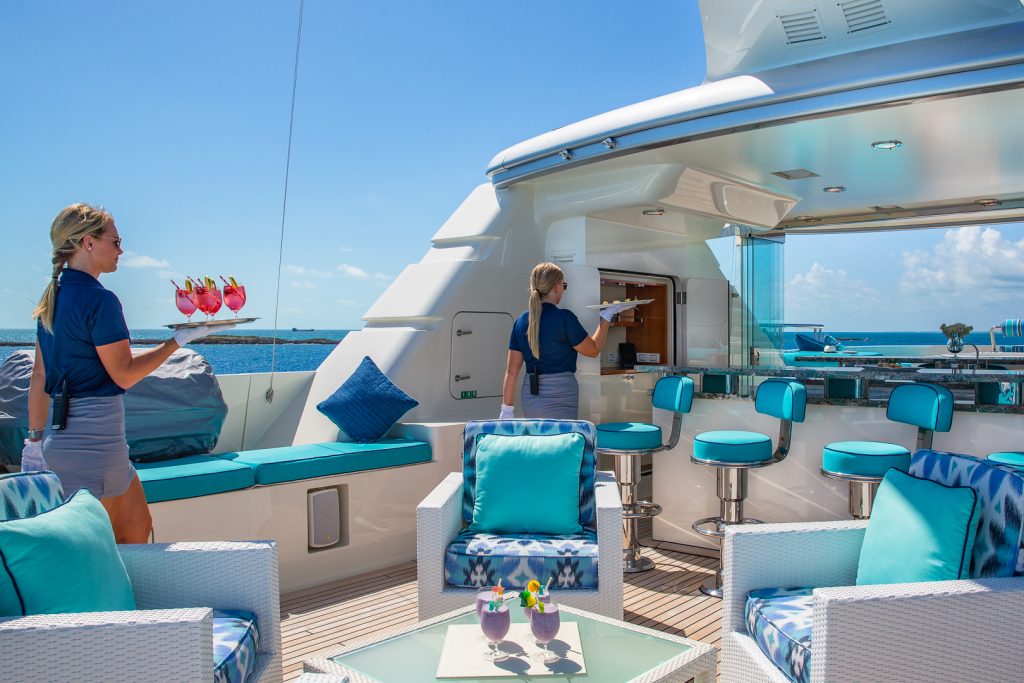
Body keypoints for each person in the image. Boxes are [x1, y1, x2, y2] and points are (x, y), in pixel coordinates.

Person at [21, 203, 225, 543]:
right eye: (115, 242)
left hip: (72, 444)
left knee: (137, 530)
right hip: (94, 447)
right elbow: (124, 375)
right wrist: (178, 341)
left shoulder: (52, 300)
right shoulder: (100, 300)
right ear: (88, 242)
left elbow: (40, 378)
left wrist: (33, 441)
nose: (121, 250)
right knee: (110, 553)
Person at [500, 262, 633, 419]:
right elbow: (594, 349)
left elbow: (511, 371)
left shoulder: (521, 321)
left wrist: (506, 411)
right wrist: (606, 316)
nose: (563, 290)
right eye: (564, 285)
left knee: (539, 440)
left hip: (531, 393)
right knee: (561, 440)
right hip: (561, 393)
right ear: (557, 287)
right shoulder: (564, 318)